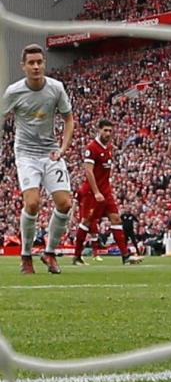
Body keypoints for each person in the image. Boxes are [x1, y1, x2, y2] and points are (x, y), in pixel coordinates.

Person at [1, 44, 75, 275]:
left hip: (51, 152)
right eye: (31, 63)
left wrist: (62, 148)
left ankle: (49, 253)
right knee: (32, 203)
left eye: (39, 62)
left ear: (44, 63)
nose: (36, 66)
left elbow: (68, 119)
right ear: (23, 66)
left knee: (65, 203)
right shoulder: (13, 92)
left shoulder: (56, 88)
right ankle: (26, 256)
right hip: (26, 154)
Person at [72, 119, 142, 266]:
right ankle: (77, 256)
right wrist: (96, 192)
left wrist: (104, 191)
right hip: (92, 192)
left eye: (110, 131)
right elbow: (88, 171)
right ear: (99, 130)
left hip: (106, 191)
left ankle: (125, 256)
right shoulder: (92, 148)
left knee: (116, 219)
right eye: (105, 130)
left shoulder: (109, 147)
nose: (108, 133)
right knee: (86, 222)